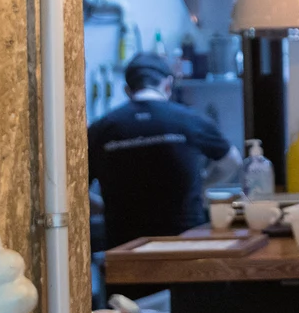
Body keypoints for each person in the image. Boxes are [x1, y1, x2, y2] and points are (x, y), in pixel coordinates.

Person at [87, 54, 239, 252]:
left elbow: (74, 190)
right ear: (167, 85)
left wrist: (105, 205)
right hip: (186, 247)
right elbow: (232, 161)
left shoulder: (101, 128)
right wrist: (203, 186)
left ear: (127, 90)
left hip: (125, 252)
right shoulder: (189, 119)